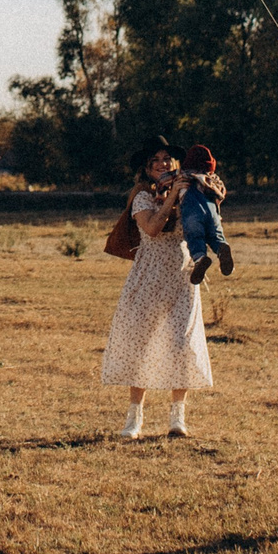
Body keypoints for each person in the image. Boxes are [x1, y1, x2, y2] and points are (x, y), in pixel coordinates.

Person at [100, 137, 218, 437]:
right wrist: (170, 198)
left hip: (182, 275)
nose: (163, 163)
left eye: (167, 158)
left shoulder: (189, 189)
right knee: (141, 344)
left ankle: (177, 416)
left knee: (182, 344)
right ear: (147, 168)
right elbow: (152, 228)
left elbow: (206, 220)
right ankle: (134, 417)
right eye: (155, 160)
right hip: (148, 278)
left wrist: (211, 193)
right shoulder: (142, 197)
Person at [178, 143, 234, 285]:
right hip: (211, 210)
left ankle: (200, 258)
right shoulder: (212, 179)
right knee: (214, 234)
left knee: (195, 236)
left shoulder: (183, 175)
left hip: (192, 210)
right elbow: (222, 192)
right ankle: (221, 247)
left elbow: (164, 182)